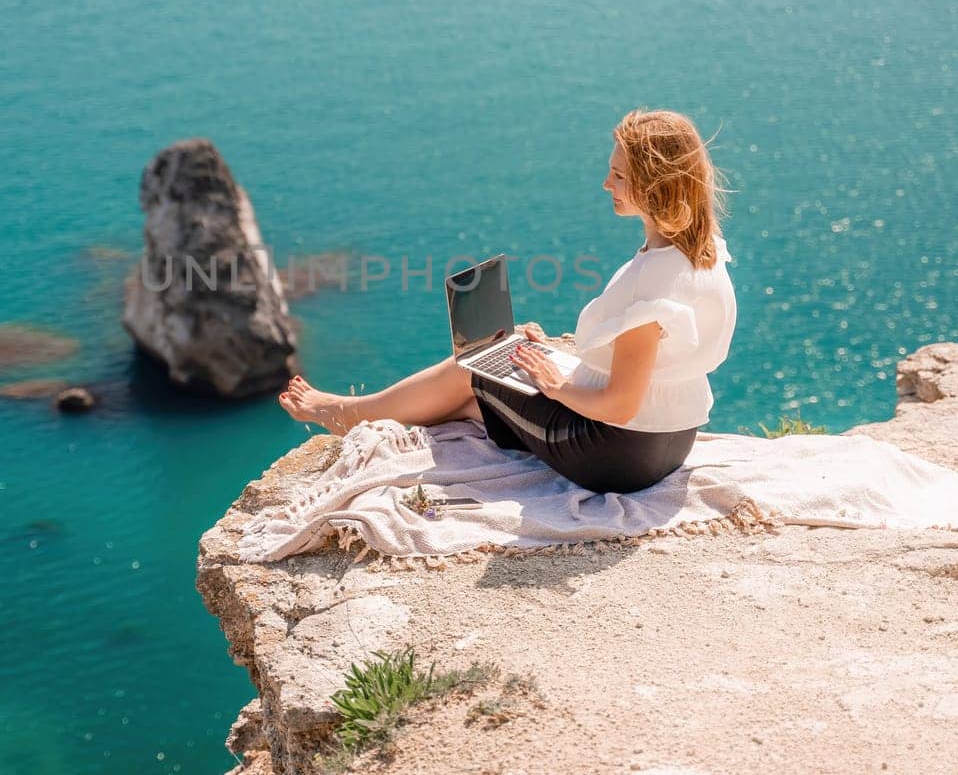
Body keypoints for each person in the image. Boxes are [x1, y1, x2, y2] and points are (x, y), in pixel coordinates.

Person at [278, 108, 737, 495]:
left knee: (472, 367)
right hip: (672, 439)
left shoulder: (653, 280)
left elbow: (619, 406)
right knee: (501, 371)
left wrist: (555, 385)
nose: (605, 183)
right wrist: (552, 358)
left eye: (618, 175)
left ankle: (344, 413)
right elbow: (648, 361)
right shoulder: (702, 250)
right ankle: (464, 399)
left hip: (616, 455)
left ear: (656, 186)